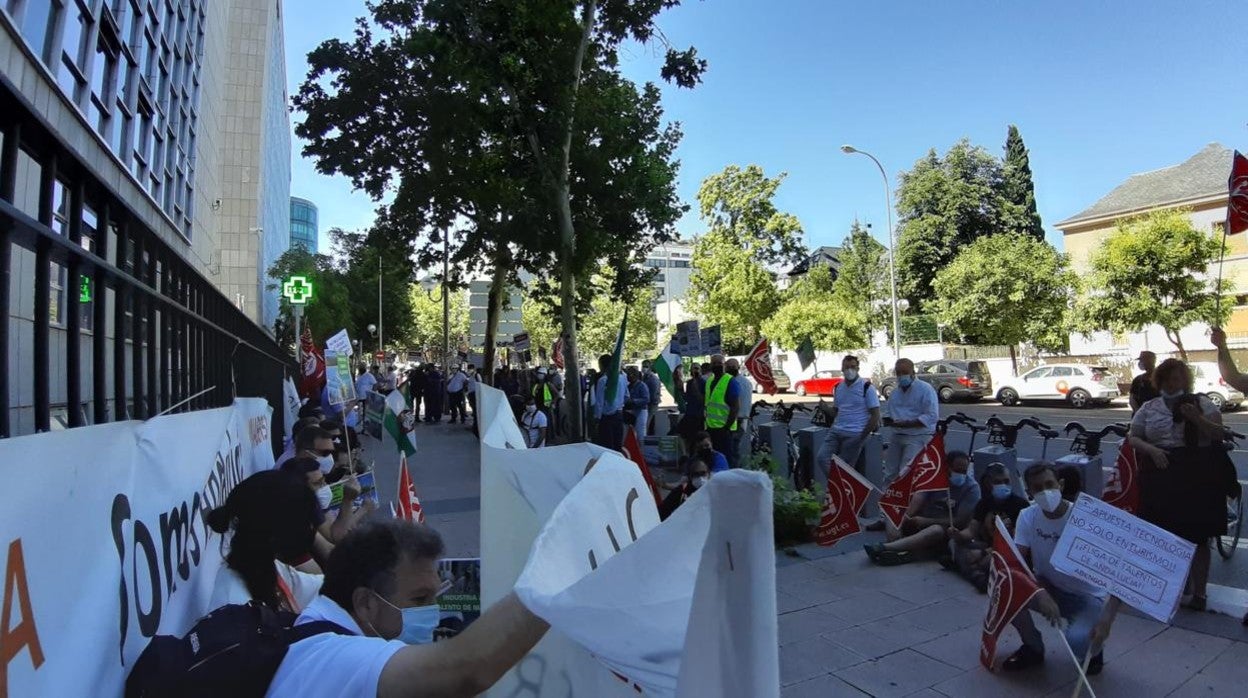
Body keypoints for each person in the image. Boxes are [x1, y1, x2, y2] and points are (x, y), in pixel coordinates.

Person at [265, 519, 549, 697]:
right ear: (366, 603)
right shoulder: (341, 657)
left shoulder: (326, 625)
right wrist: (559, 569)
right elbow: (468, 669)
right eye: (419, 599)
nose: (434, 612)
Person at [1128, 358, 1229, 612]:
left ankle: (1200, 593)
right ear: (1160, 381)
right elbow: (1133, 437)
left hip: (1196, 473)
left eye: (1179, 379)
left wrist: (1197, 419)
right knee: (1164, 534)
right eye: (1170, 379)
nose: (1175, 383)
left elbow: (1219, 434)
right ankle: (1175, 586)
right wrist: (1151, 450)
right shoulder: (1150, 407)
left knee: (1198, 535)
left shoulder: (1201, 402)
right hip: (1161, 473)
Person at [1002, 463, 1120, 675]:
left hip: (1088, 597)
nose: (1045, 492)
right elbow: (1016, 565)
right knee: (1006, 593)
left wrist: (1107, 620)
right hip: (1048, 587)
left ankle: (1092, 649)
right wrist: (1040, 592)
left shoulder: (1086, 517)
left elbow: (1121, 570)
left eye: (1050, 484)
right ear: (1029, 492)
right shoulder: (1027, 517)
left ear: (1061, 484)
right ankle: (1033, 647)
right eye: (1038, 488)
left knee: (1077, 641)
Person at [207, 470, 324, 614]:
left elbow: (314, 587)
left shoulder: (265, 565)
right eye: (305, 523)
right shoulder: (235, 607)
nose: (311, 529)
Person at [864, 451, 980, 566]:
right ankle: (901, 548)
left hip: (944, 530)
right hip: (918, 521)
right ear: (947, 467)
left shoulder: (972, 488)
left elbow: (960, 521)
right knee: (893, 510)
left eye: (964, 471)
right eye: (957, 470)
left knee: (935, 530)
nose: (961, 474)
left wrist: (926, 521)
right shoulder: (933, 477)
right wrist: (904, 517)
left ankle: (886, 547)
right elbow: (919, 498)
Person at [947, 462, 1029, 592]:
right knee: (954, 543)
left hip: (1008, 549)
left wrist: (983, 553)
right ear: (988, 484)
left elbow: (1015, 541)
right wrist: (958, 534)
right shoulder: (984, 503)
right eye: (998, 482)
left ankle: (970, 571)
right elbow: (971, 530)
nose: (1004, 485)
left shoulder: (1021, 505)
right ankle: (977, 574)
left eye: (1006, 481)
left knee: (984, 561)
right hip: (987, 545)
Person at [814, 355, 880, 490]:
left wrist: (862, 436)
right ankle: (841, 488)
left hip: (855, 433)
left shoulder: (867, 387)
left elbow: (875, 415)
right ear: (842, 369)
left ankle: (843, 493)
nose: (850, 370)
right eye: (847, 367)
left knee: (843, 467)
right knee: (822, 458)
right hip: (836, 431)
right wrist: (825, 408)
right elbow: (837, 412)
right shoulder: (839, 387)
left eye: (853, 367)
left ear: (858, 368)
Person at [281, 457, 375, 544]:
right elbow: (337, 537)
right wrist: (348, 500)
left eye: (323, 481)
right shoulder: (298, 519)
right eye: (317, 483)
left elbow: (333, 529)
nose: (324, 486)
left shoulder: (316, 505)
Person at [703, 354, 740, 467]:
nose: (717, 366)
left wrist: (726, 427)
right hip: (711, 428)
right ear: (710, 366)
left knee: (727, 460)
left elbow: (735, 407)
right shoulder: (709, 381)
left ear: (724, 365)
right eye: (714, 363)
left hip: (725, 429)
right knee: (713, 460)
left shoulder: (730, 381)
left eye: (719, 363)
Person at [592, 355, 629, 450]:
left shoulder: (603, 380)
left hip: (607, 417)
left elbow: (599, 401)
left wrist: (597, 418)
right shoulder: (622, 378)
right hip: (619, 414)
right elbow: (627, 396)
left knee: (607, 446)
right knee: (617, 445)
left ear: (602, 365)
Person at [726, 358, 752, 469]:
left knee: (732, 450)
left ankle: (734, 472)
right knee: (734, 448)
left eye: (730, 367)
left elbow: (734, 404)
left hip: (735, 419)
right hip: (742, 420)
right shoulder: (747, 382)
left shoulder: (732, 382)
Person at [680, 364, 706, 450]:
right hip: (689, 413)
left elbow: (704, 400)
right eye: (692, 369)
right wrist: (680, 389)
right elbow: (687, 398)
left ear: (701, 370)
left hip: (699, 414)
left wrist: (697, 390)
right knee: (683, 435)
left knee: (696, 437)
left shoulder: (704, 382)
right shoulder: (689, 383)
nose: (694, 371)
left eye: (696, 368)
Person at [624, 367, 651, 438]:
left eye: (628, 375)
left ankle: (642, 448)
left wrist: (633, 401)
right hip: (630, 412)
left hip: (641, 411)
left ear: (633, 375)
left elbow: (646, 399)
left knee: (640, 433)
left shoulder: (642, 386)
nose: (627, 377)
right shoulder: (629, 386)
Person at [641, 360, 662, 435]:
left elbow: (653, 395)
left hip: (652, 404)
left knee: (646, 424)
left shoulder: (653, 379)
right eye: (643, 366)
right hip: (646, 404)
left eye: (646, 366)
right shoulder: (644, 377)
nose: (644, 368)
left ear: (650, 368)